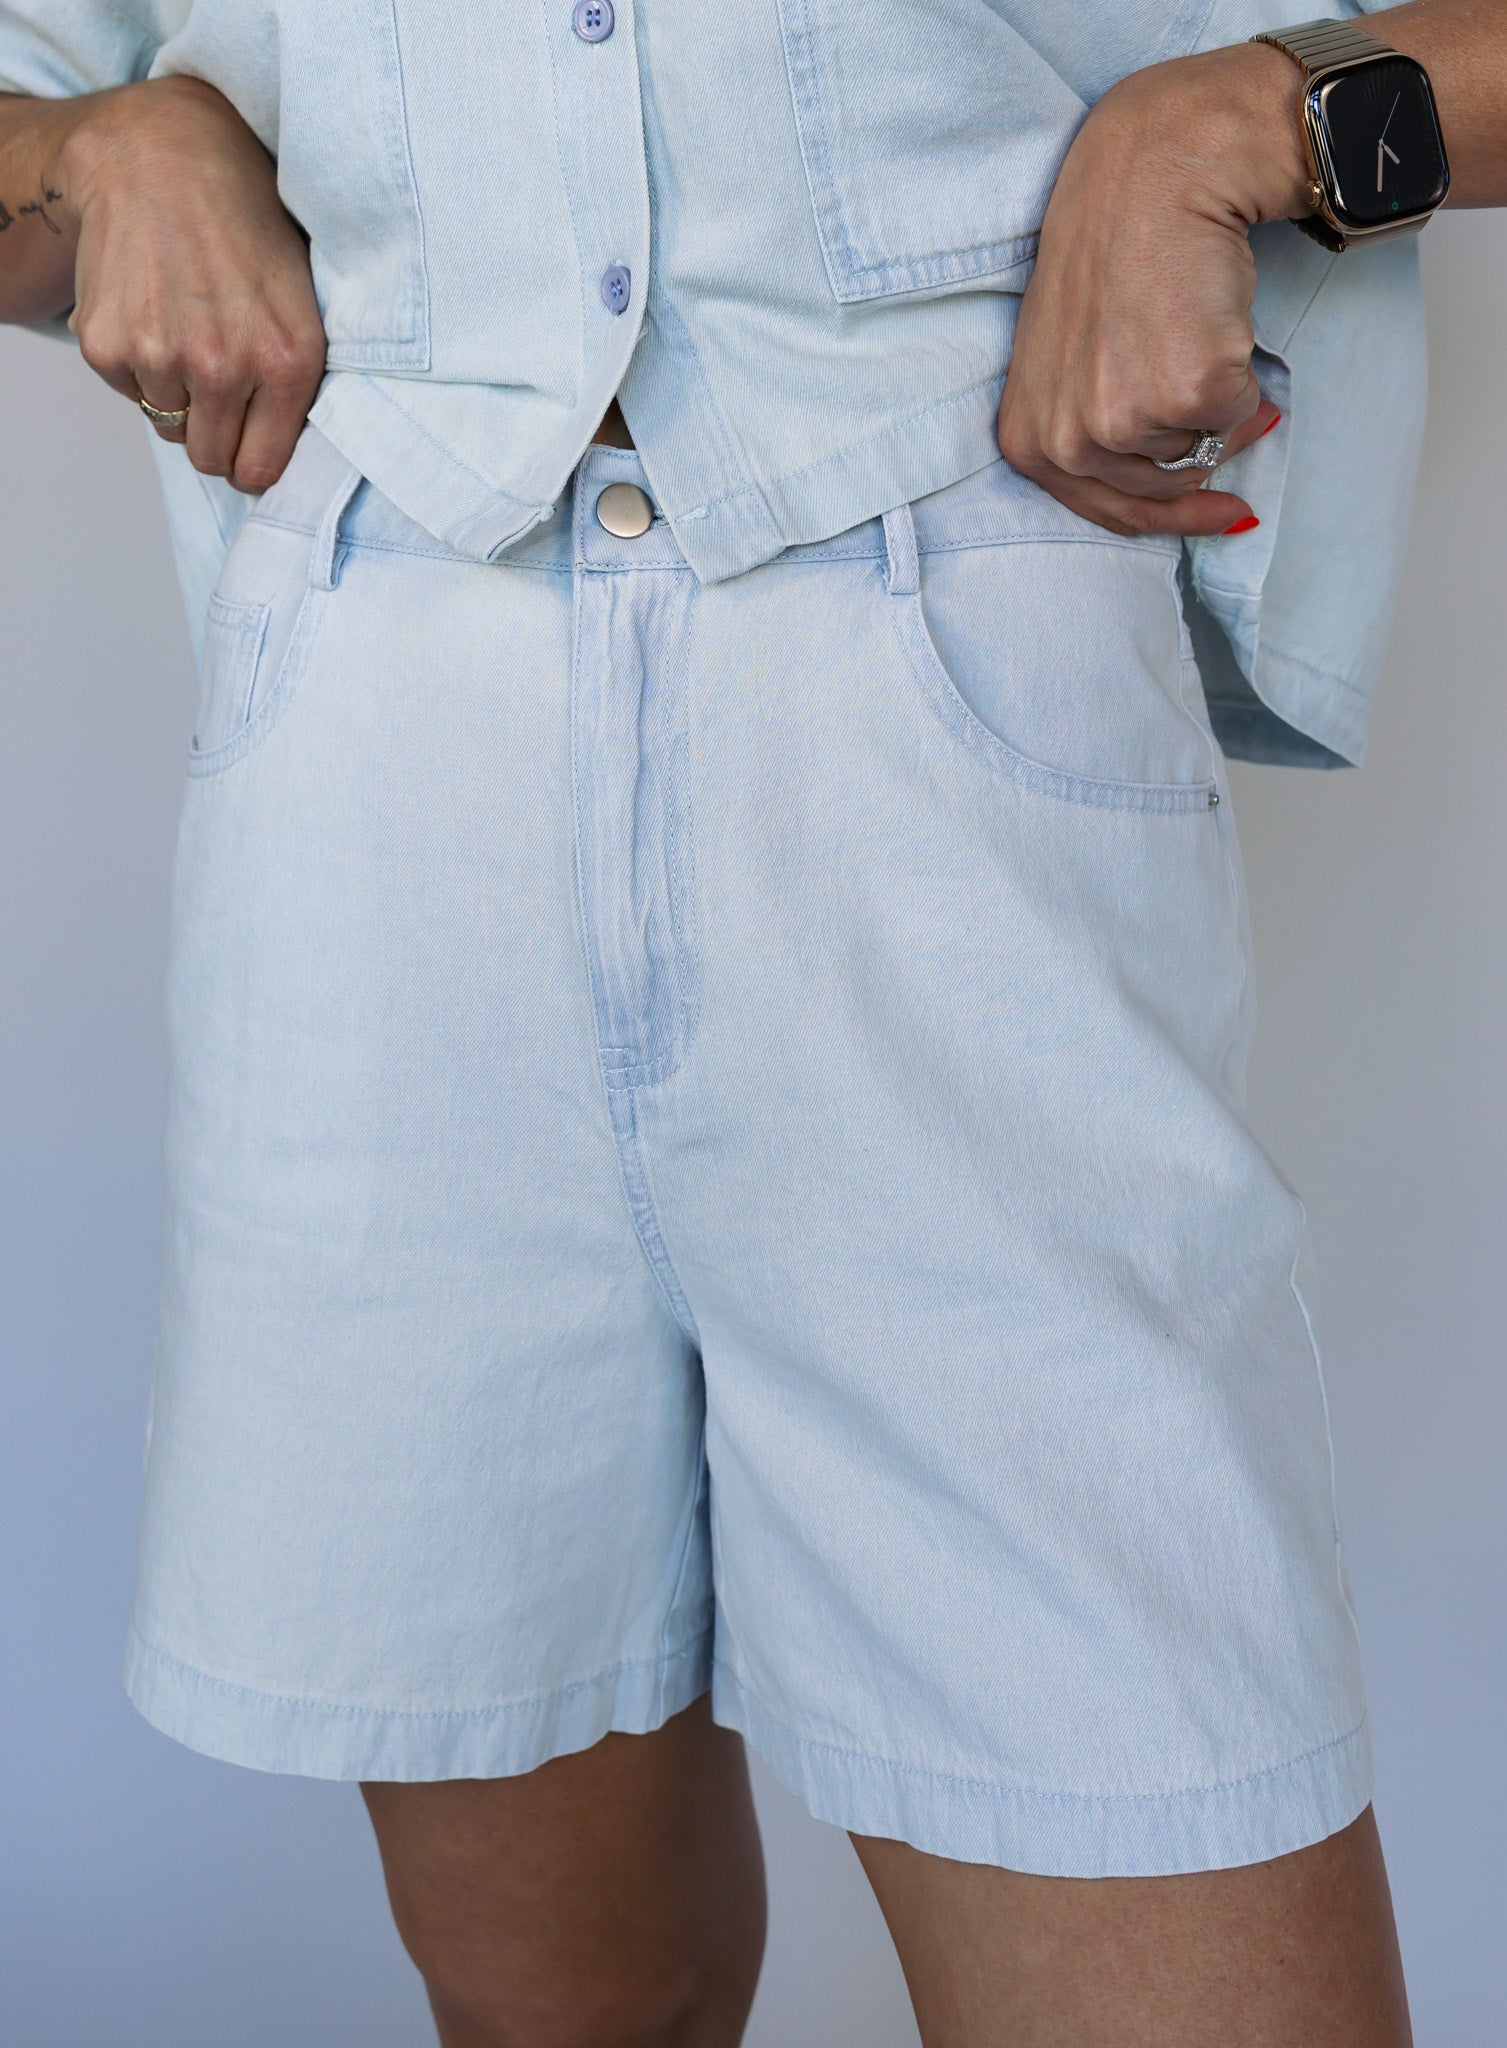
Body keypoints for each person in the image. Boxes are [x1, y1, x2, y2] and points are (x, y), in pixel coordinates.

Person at [2, 4, 1502, 2041]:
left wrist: (1240, 123)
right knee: (554, 2000)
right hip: (379, 752)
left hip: (946, 747)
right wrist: (89, 153)